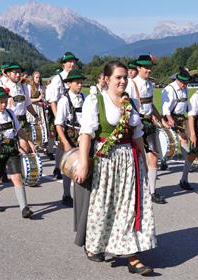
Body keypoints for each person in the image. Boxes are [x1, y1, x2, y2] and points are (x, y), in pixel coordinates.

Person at [73, 61, 155, 275]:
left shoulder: (131, 102)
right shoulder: (95, 101)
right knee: (104, 204)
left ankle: (132, 255)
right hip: (106, 160)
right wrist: (83, 164)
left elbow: (137, 135)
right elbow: (86, 134)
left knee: (129, 205)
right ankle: (96, 244)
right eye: (118, 77)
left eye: (125, 77)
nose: (123, 81)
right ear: (107, 79)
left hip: (130, 160)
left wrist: (144, 163)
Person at [0, 87, 37, 218]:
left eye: (5, 102)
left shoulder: (11, 114)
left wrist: (28, 141)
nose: (3, 105)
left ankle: (24, 207)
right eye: (0, 102)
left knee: (17, 178)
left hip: (12, 150)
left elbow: (18, 129)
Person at [126, 54, 168, 205]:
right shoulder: (131, 84)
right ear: (138, 68)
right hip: (136, 122)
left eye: (150, 68)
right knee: (135, 157)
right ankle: (133, 189)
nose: (149, 70)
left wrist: (162, 118)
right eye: (146, 68)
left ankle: (152, 191)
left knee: (154, 155)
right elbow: (125, 104)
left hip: (149, 123)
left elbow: (151, 105)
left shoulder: (150, 84)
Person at [55, 70, 87, 208]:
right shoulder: (64, 100)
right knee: (69, 166)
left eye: (81, 82)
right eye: (77, 83)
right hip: (70, 133)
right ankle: (66, 195)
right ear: (69, 84)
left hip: (84, 133)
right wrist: (65, 142)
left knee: (84, 164)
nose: (80, 85)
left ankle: (83, 195)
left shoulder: (85, 97)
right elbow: (58, 123)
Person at [47, 52, 80, 182]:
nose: (72, 64)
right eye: (69, 62)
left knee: (64, 145)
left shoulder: (76, 78)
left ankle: (64, 166)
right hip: (61, 114)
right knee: (62, 144)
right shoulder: (58, 79)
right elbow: (53, 101)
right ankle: (57, 167)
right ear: (63, 64)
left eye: (73, 61)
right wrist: (58, 120)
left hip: (73, 115)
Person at [161, 67, 193, 171]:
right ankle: (163, 162)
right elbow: (165, 108)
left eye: (187, 83)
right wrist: (169, 119)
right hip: (169, 116)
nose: (185, 85)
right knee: (168, 139)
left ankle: (188, 162)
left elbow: (184, 103)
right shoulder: (169, 89)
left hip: (180, 117)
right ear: (177, 80)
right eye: (183, 83)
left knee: (184, 138)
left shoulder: (185, 88)